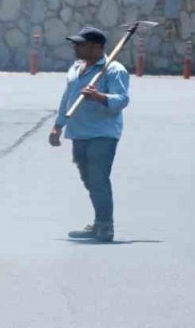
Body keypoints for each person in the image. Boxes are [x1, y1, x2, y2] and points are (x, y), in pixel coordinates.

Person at [49, 26, 131, 243]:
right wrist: (58, 125)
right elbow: (68, 98)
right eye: (75, 43)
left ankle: (105, 227)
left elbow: (122, 100)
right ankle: (99, 222)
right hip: (79, 132)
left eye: (80, 44)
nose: (75, 47)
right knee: (89, 179)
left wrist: (99, 97)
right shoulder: (76, 68)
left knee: (98, 178)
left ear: (96, 47)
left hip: (102, 133)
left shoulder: (114, 69)